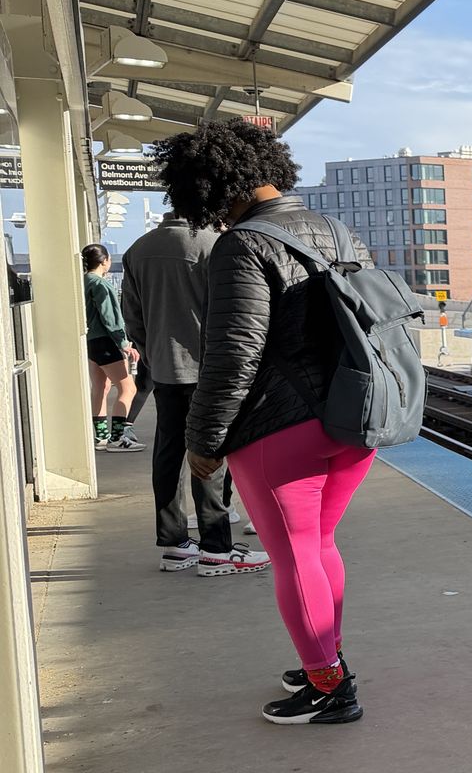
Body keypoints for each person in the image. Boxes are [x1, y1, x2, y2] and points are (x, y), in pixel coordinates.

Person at [154, 119, 368, 726]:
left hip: (281, 426)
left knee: (294, 552)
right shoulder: (335, 229)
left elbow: (233, 352)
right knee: (321, 544)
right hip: (352, 420)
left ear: (210, 186)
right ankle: (325, 657)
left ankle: (330, 688)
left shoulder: (244, 244)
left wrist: (203, 440)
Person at [121, 211, 241, 574]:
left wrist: (152, 352)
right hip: (208, 367)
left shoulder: (137, 249)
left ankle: (174, 544)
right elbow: (232, 310)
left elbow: (132, 314)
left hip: (164, 369)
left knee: (168, 451)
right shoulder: (212, 245)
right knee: (209, 452)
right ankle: (216, 547)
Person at [82, 244, 143, 451]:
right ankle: (118, 438)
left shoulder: (82, 282)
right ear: (104, 261)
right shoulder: (101, 284)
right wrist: (124, 343)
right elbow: (110, 317)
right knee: (128, 388)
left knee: (101, 387)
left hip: (91, 341)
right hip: (106, 341)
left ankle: (100, 437)